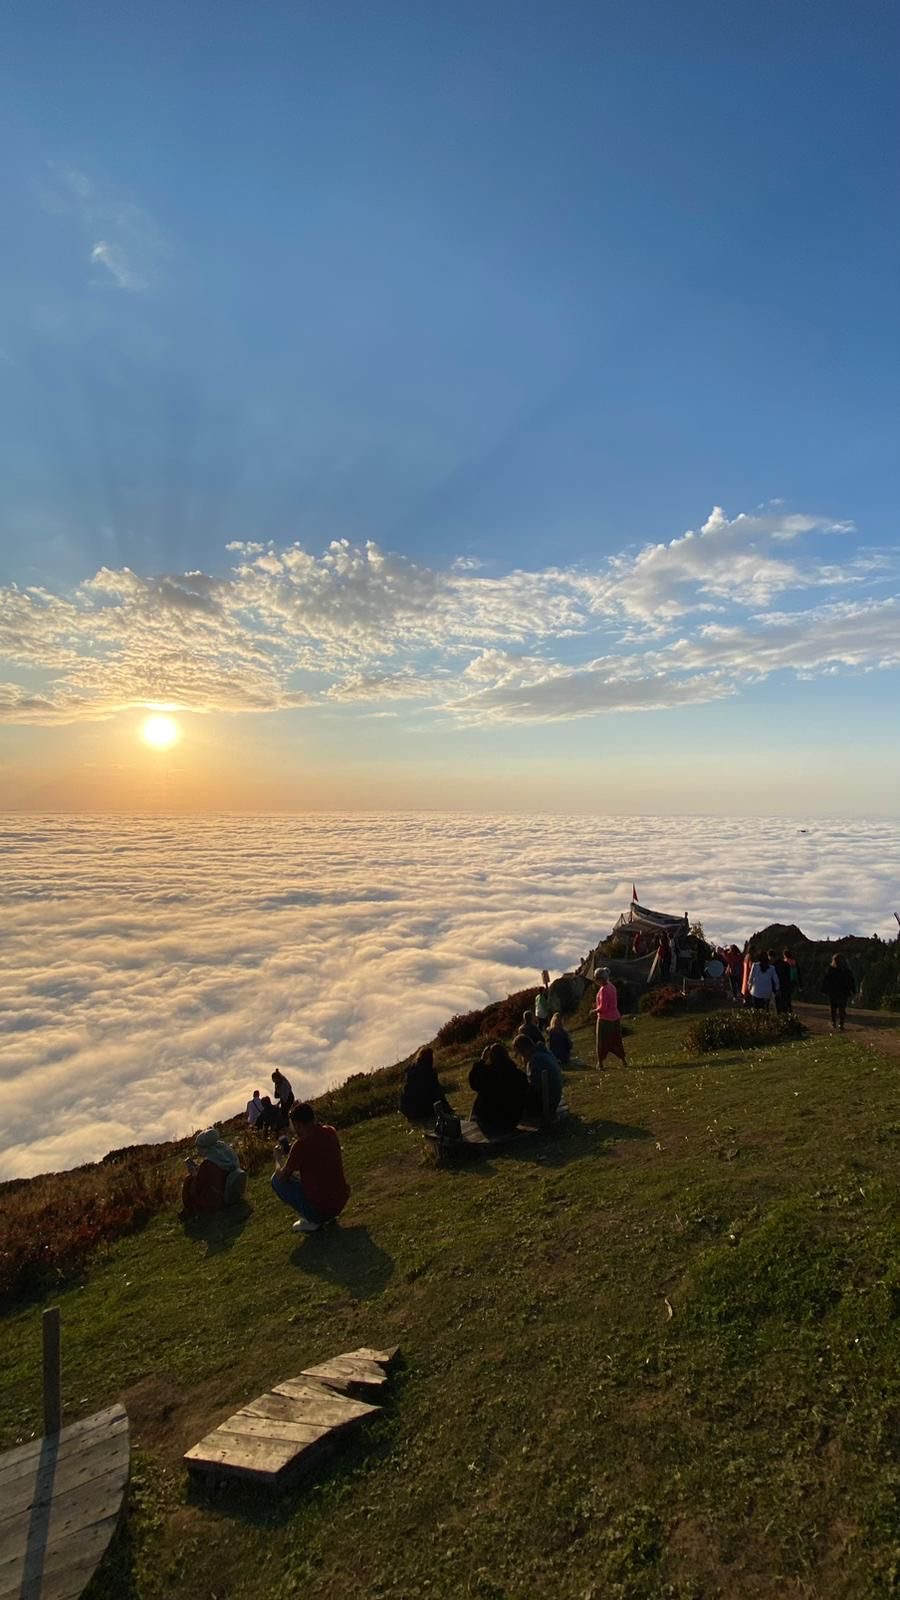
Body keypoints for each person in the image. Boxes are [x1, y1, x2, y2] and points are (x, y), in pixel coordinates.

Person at [271, 1102, 350, 1233]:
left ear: (298, 1124)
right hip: (340, 1200)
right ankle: (324, 1216)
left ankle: (313, 1219)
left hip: (321, 1209)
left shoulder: (300, 1145)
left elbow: (283, 1178)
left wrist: (278, 1158)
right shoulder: (330, 1131)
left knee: (276, 1180)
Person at [181, 1128, 246, 1214]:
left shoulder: (208, 1164)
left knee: (188, 1180)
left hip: (218, 1200)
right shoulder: (226, 1151)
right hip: (230, 1192)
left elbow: (196, 1188)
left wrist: (194, 1175)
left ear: (204, 1147)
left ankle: (189, 1210)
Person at [468, 1042, 529, 1133]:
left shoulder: (486, 1075)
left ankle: (472, 1121)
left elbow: (473, 1082)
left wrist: (482, 1060)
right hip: (512, 1120)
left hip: (491, 1122)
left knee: (479, 1097)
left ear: (491, 1058)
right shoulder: (518, 1074)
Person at [399, 1046, 453, 1123]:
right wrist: (447, 1109)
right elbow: (436, 1093)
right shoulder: (429, 1072)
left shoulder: (410, 1070)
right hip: (420, 1109)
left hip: (408, 1109)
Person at [513, 1033, 563, 1116]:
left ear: (524, 1050)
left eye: (520, 1053)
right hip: (555, 1097)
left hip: (548, 1102)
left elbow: (534, 1088)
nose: (521, 1057)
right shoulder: (545, 1052)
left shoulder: (534, 1060)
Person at [593, 968, 627, 1067]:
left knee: (602, 1042)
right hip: (615, 1017)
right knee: (616, 1040)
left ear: (599, 979)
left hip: (605, 1019)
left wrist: (594, 1011)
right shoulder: (612, 987)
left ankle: (600, 1063)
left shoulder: (603, 990)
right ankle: (623, 1060)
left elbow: (603, 1007)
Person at [821, 953, 857, 1032]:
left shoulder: (831, 970)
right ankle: (841, 1024)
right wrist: (853, 991)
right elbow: (851, 982)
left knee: (833, 1007)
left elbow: (826, 981)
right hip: (844, 992)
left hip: (833, 992)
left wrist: (824, 990)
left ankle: (833, 1022)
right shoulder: (847, 971)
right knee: (842, 1008)